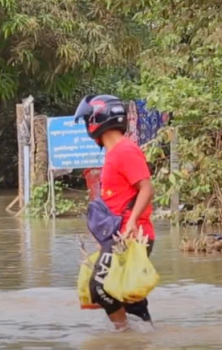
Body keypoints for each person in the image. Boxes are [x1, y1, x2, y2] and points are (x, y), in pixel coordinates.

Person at [74, 94, 156, 331]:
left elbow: (146, 188)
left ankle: (124, 337)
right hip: (121, 236)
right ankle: (144, 335)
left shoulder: (124, 150)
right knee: (122, 292)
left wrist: (130, 223)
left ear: (97, 120)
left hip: (132, 235)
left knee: (99, 288)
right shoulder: (114, 152)